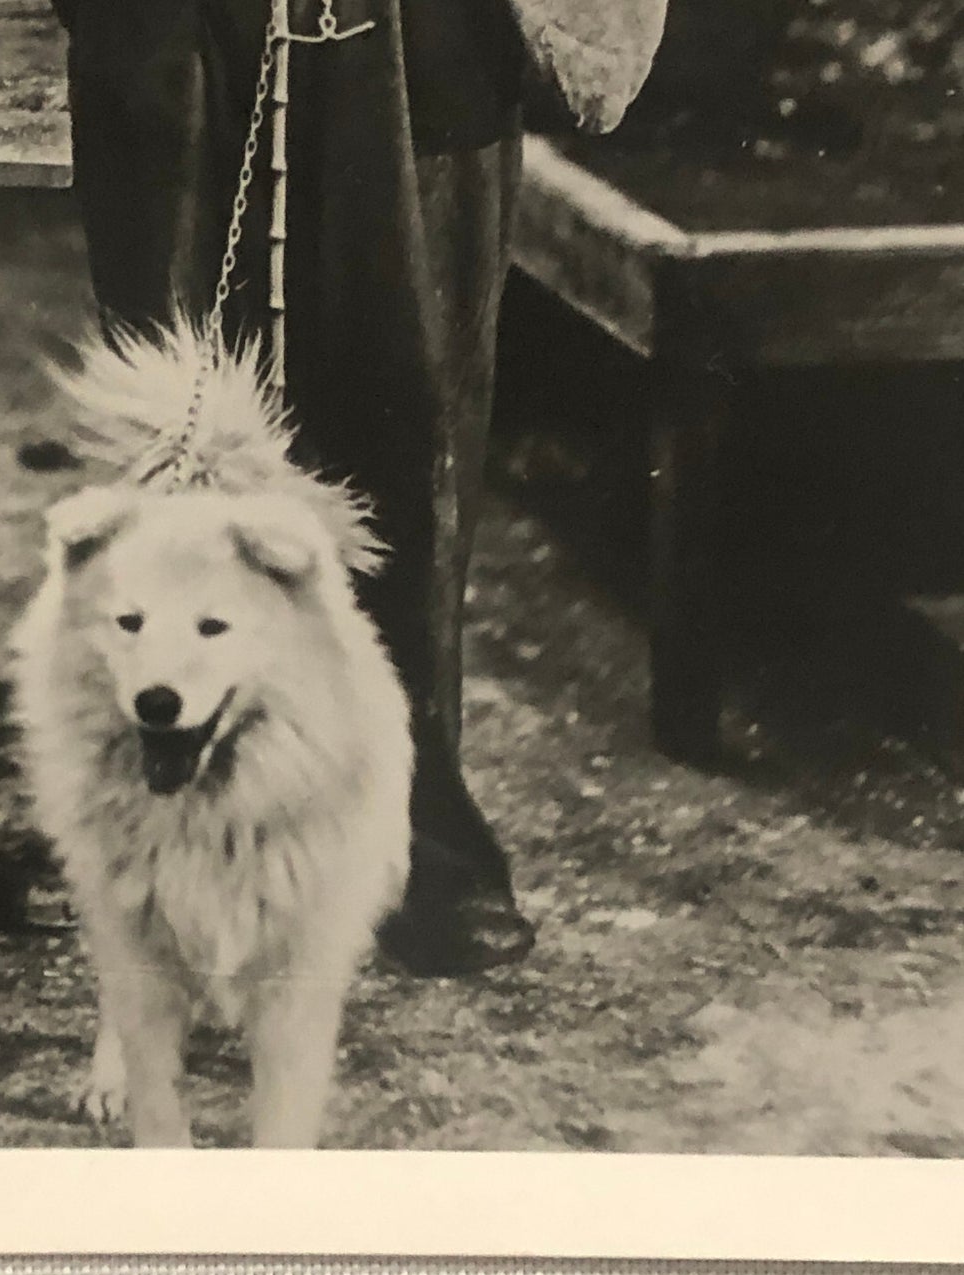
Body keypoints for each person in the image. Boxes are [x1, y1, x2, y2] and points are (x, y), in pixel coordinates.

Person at [49, 0, 666, 974]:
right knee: (174, 415)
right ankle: (157, 822)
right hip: (180, 37)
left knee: (406, 427)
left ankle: (406, 828)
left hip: (415, 54)